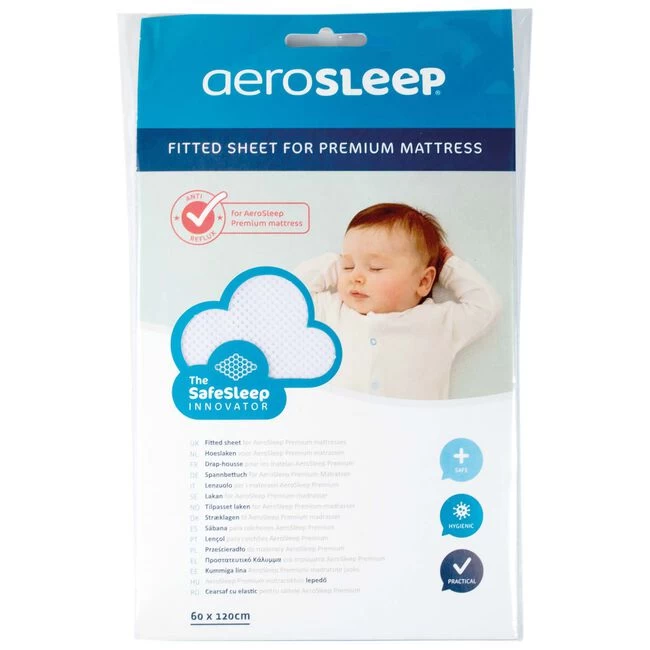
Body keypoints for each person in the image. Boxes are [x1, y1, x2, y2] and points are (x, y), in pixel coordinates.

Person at [294, 203, 500, 400]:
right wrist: (333, 262)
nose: (356, 277)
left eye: (375, 268)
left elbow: (486, 306)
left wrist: (449, 267)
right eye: (348, 266)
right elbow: (290, 295)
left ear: (423, 281)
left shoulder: (438, 323)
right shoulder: (333, 312)